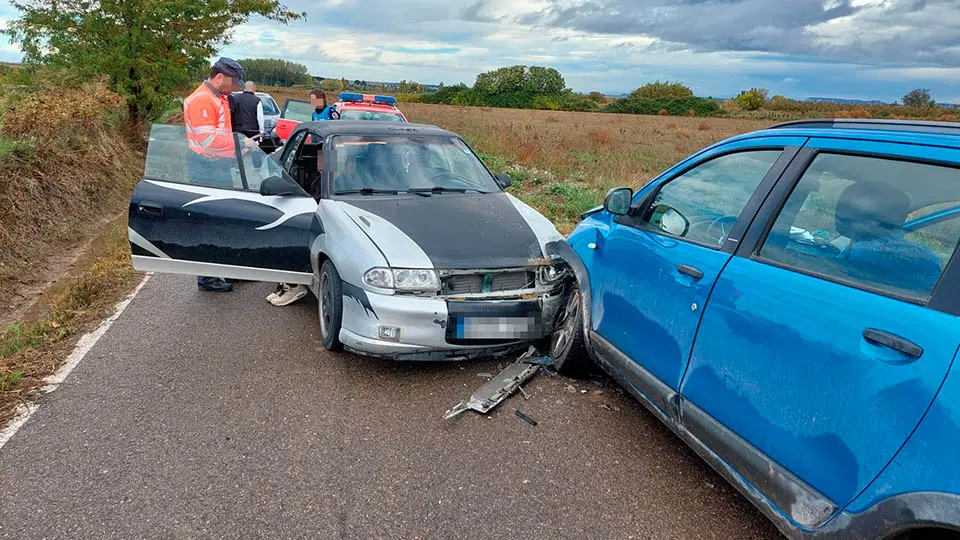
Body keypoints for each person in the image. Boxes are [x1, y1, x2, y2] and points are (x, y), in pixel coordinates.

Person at [183, 57, 256, 292]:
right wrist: (241, 142)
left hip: (218, 165)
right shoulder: (202, 100)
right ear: (220, 77)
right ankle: (207, 278)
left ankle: (224, 271)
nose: (236, 88)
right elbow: (208, 140)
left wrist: (240, 148)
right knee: (210, 224)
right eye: (234, 83)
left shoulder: (219, 97)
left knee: (224, 221)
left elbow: (221, 133)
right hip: (205, 166)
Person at [266, 149, 323, 306]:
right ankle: (285, 283)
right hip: (313, 219)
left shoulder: (336, 179)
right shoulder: (319, 178)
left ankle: (294, 285)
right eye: (318, 156)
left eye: (323, 157)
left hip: (322, 224)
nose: (319, 160)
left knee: (288, 236)